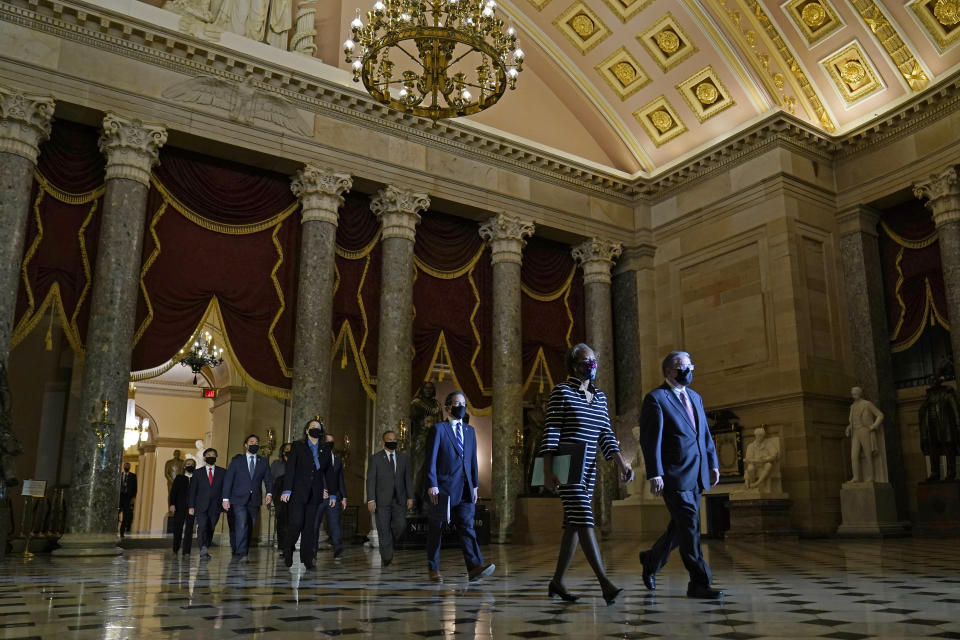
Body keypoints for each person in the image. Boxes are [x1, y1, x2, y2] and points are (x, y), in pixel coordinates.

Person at [541, 343, 634, 605]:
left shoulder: (600, 397)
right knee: (584, 518)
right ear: (573, 365)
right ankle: (604, 583)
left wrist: (622, 463)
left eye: (594, 360)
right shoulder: (562, 392)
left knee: (573, 524)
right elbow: (551, 432)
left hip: (589, 465)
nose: (591, 365)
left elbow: (606, 434)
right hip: (566, 462)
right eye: (585, 361)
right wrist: (548, 470)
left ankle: (557, 582)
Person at [638, 350, 722, 599]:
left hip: (697, 473)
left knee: (680, 528)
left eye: (690, 366)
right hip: (674, 475)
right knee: (691, 524)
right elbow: (650, 440)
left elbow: (704, 434)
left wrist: (713, 463)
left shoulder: (695, 397)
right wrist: (655, 473)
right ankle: (699, 582)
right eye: (681, 366)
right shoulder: (656, 398)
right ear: (668, 372)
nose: (687, 370)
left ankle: (651, 560)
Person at [424, 390, 495, 582]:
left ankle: (474, 567)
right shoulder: (439, 429)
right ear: (448, 407)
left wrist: (475, 486)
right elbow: (430, 459)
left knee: (467, 527)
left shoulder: (469, 431)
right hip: (443, 489)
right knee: (436, 529)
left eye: (464, 403)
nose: (461, 406)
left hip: (465, 488)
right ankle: (433, 568)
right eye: (457, 403)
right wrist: (432, 484)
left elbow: (472, 461)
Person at [280, 420, 334, 570]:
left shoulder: (325, 448)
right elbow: (291, 468)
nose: (316, 430)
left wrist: (332, 493)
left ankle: (307, 558)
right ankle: (288, 549)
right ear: (306, 431)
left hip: (315, 493)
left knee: (310, 527)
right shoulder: (298, 446)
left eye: (318, 428)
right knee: (296, 523)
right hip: (298, 492)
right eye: (313, 428)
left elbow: (329, 472)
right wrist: (287, 490)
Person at [222, 434, 273, 562]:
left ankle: (243, 549)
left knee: (250, 525)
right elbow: (228, 480)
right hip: (238, 499)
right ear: (246, 445)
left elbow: (268, 479)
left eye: (256, 442)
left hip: (254, 499)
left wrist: (269, 493)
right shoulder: (237, 461)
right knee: (242, 523)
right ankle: (242, 553)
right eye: (251, 442)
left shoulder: (263, 461)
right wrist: (225, 499)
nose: (254, 444)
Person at [366, 429, 413, 567]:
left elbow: (408, 479)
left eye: (394, 440)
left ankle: (389, 542)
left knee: (400, 525)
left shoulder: (403, 458)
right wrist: (371, 499)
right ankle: (387, 557)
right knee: (383, 528)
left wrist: (410, 496)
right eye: (389, 440)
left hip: (399, 499)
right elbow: (370, 481)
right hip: (381, 501)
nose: (392, 442)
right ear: (383, 441)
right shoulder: (375, 458)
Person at [189, 447, 224, 560]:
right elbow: (192, 491)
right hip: (201, 506)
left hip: (216, 505)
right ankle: (203, 548)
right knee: (202, 526)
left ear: (216, 457)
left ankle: (206, 545)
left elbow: (225, 489)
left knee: (211, 527)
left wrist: (225, 502)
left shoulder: (222, 472)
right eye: (208, 455)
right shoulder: (197, 473)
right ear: (204, 458)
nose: (211, 457)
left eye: (213, 455)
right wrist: (191, 506)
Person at [315, 432, 346, 559]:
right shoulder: (315, 457)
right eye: (328, 441)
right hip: (319, 497)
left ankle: (338, 548)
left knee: (335, 523)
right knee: (315, 524)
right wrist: (319, 490)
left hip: (335, 497)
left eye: (332, 442)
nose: (330, 444)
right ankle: (312, 550)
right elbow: (313, 477)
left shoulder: (337, 459)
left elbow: (340, 480)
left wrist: (344, 497)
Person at [169, 458, 196, 556]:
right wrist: (172, 504)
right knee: (178, 528)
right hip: (179, 507)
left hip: (192, 507)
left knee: (189, 529)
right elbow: (173, 493)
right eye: (188, 464)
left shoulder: (196, 478)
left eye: (192, 464)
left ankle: (186, 551)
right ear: (184, 466)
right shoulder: (179, 478)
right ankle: (175, 548)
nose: (190, 465)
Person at [271, 442, 292, 550]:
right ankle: (282, 546)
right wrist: (270, 495)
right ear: (283, 451)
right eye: (287, 449)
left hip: (293, 494)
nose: (289, 451)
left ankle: (290, 545)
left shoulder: (298, 464)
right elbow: (271, 480)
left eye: (291, 449)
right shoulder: (276, 464)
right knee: (281, 521)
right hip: (279, 495)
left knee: (292, 521)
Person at [118, 462, 137, 537]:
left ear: (129, 467)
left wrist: (133, 497)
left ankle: (122, 532)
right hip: (120, 497)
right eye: (125, 466)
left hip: (128, 498)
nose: (126, 467)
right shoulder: (120, 475)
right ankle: (114, 530)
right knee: (116, 514)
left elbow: (135, 488)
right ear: (123, 467)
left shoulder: (133, 476)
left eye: (128, 466)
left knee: (126, 515)